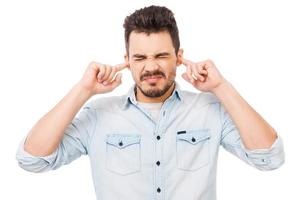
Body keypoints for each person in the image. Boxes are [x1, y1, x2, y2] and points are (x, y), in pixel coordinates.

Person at [16, 5, 285, 200]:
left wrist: (221, 87)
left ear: (179, 57)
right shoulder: (99, 115)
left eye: (161, 55)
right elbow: (32, 160)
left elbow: (269, 157)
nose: (151, 67)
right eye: (140, 58)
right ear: (127, 60)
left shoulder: (209, 109)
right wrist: (83, 90)